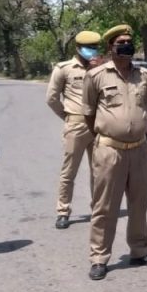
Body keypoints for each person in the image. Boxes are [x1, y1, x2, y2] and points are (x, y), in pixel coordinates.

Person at [82, 24, 147, 280]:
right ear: (111, 47)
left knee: (139, 204)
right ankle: (99, 257)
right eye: (121, 43)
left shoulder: (144, 76)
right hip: (110, 150)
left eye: (129, 41)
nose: (126, 46)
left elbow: (143, 109)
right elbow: (89, 114)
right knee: (105, 207)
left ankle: (139, 250)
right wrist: (109, 134)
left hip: (139, 149)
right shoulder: (96, 76)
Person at [46, 30, 102, 229]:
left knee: (99, 171)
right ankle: (63, 211)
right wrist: (67, 116)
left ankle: (98, 209)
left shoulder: (101, 68)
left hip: (98, 126)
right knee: (69, 171)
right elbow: (52, 98)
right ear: (78, 48)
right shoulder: (64, 69)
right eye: (88, 47)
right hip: (76, 125)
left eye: (95, 47)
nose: (92, 51)